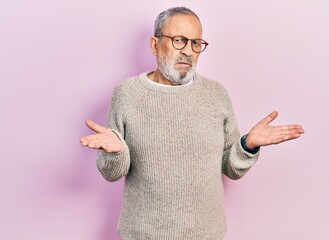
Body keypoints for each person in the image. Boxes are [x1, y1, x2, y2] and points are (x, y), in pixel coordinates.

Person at [80, 7, 304, 239]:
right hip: (142, 234)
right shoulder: (127, 94)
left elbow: (231, 168)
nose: (188, 51)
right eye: (179, 40)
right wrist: (116, 153)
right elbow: (112, 173)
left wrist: (247, 145)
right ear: (155, 45)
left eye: (196, 43)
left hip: (205, 234)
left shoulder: (216, 95)